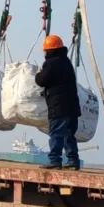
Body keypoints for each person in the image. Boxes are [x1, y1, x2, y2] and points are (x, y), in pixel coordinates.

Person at [34, 34, 80, 170]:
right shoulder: (66, 62)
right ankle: (73, 161)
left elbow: (42, 80)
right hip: (72, 106)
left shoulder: (51, 63)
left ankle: (55, 161)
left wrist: (38, 74)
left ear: (49, 50)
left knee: (56, 134)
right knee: (69, 135)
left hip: (58, 107)